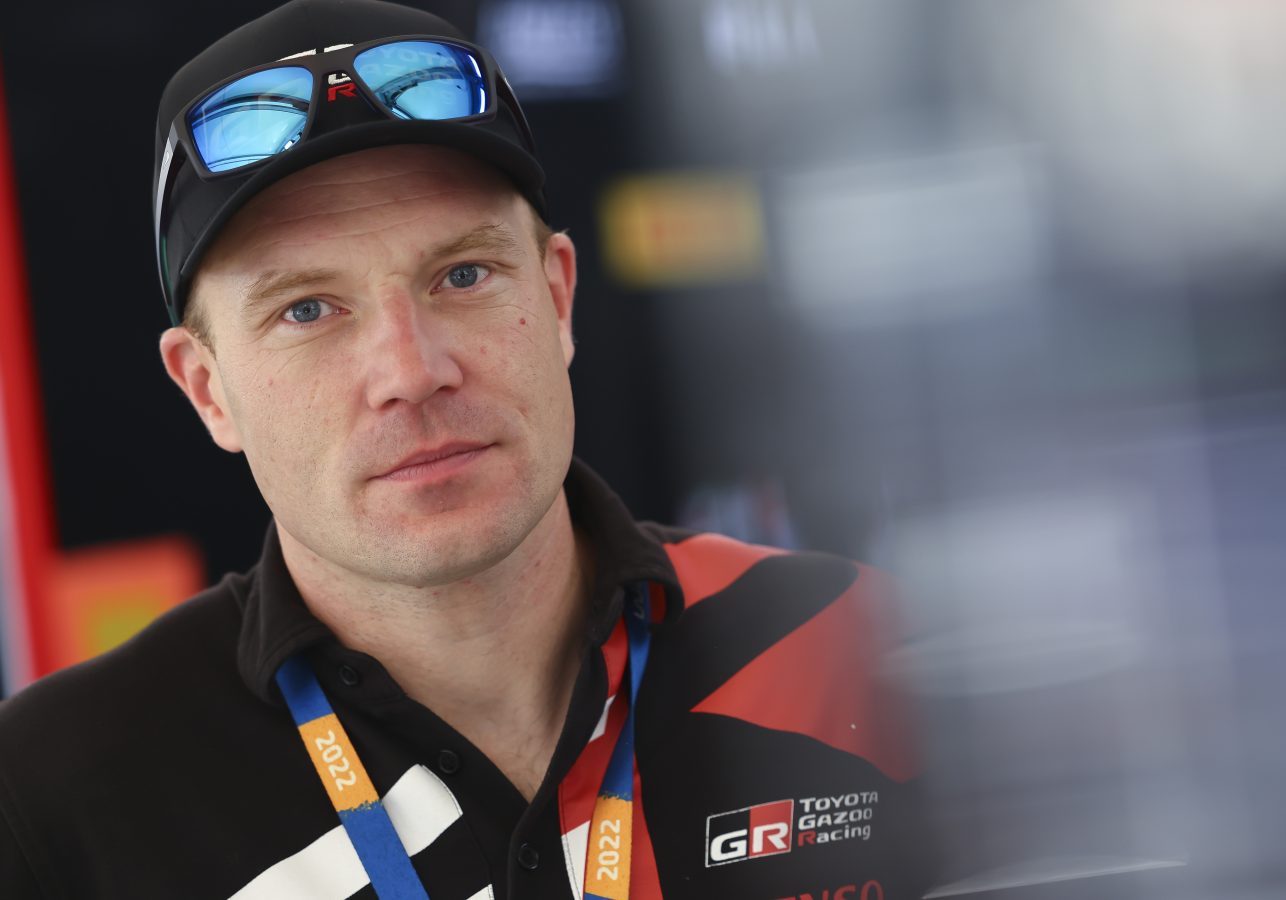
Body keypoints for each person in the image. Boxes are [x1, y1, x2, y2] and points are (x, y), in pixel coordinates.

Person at [0, 1, 928, 897]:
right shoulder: (52, 801)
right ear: (208, 389)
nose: (411, 371)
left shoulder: (858, 646)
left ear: (556, 300)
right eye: (308, 310)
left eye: (464, 273)